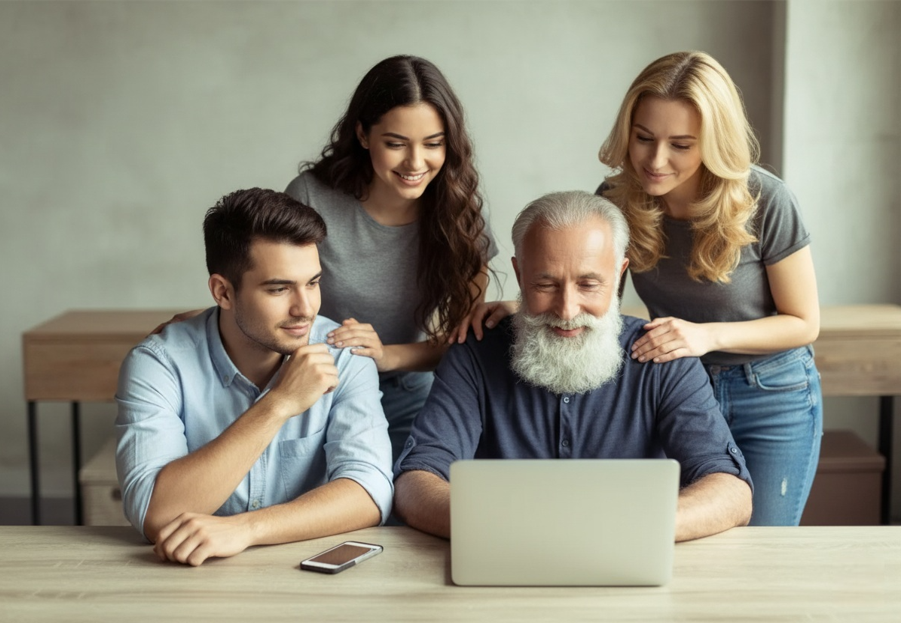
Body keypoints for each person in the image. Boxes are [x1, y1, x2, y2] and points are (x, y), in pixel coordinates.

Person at [457, 52, 822, 527]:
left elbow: (805, 323)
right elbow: (598, 298)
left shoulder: (767, 200)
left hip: (768, 393)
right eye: (643, 138)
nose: (655, 160)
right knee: (678, 537)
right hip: (676, 385)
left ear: (713, 142)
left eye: (681, 145)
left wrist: (707, 337)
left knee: (760, 546)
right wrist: (534, 301)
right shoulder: (617, 197)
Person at [394, 191, 753, 542]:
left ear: (618, 274)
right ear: (520, 276)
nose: (567, 310)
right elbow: (415, 483)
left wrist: (628, 530)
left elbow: (731, 492)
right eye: (545, 284)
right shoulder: (474, 353)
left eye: (589, 284)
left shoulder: (665, 360)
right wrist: (520, 530)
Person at [116, 188, 393, 567]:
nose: (305, 308)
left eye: (312, 283)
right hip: (191, 583)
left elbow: (369, 492)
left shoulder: (345, 355)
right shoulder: (159, 363)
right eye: (279, 289)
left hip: (308, 576)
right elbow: (155, 514)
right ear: (223, 292)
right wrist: (278, 404)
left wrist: (247, 529)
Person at [285, 55, 496, 460]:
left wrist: (385, 355)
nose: (416, 164)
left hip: (407, 392)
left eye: (433, 144)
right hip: (317, 385)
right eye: (396, 144)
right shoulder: (310, 198)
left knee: (423, 496)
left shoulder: (461, 213)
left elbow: (462, 340)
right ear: (363, 135)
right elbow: (273, 298)